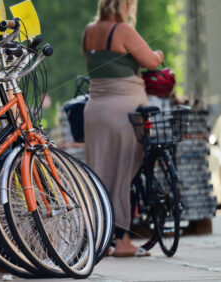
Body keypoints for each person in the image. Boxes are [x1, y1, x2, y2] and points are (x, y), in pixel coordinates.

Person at [82, 0, 164, 257]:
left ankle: (100, 239)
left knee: (99, 173)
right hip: (123, 111)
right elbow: (150, 61)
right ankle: (123, 241)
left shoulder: (89, 31)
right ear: (126, 4)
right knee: (123, 173)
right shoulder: (122, 30)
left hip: (95, 109)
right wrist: (160, 55)